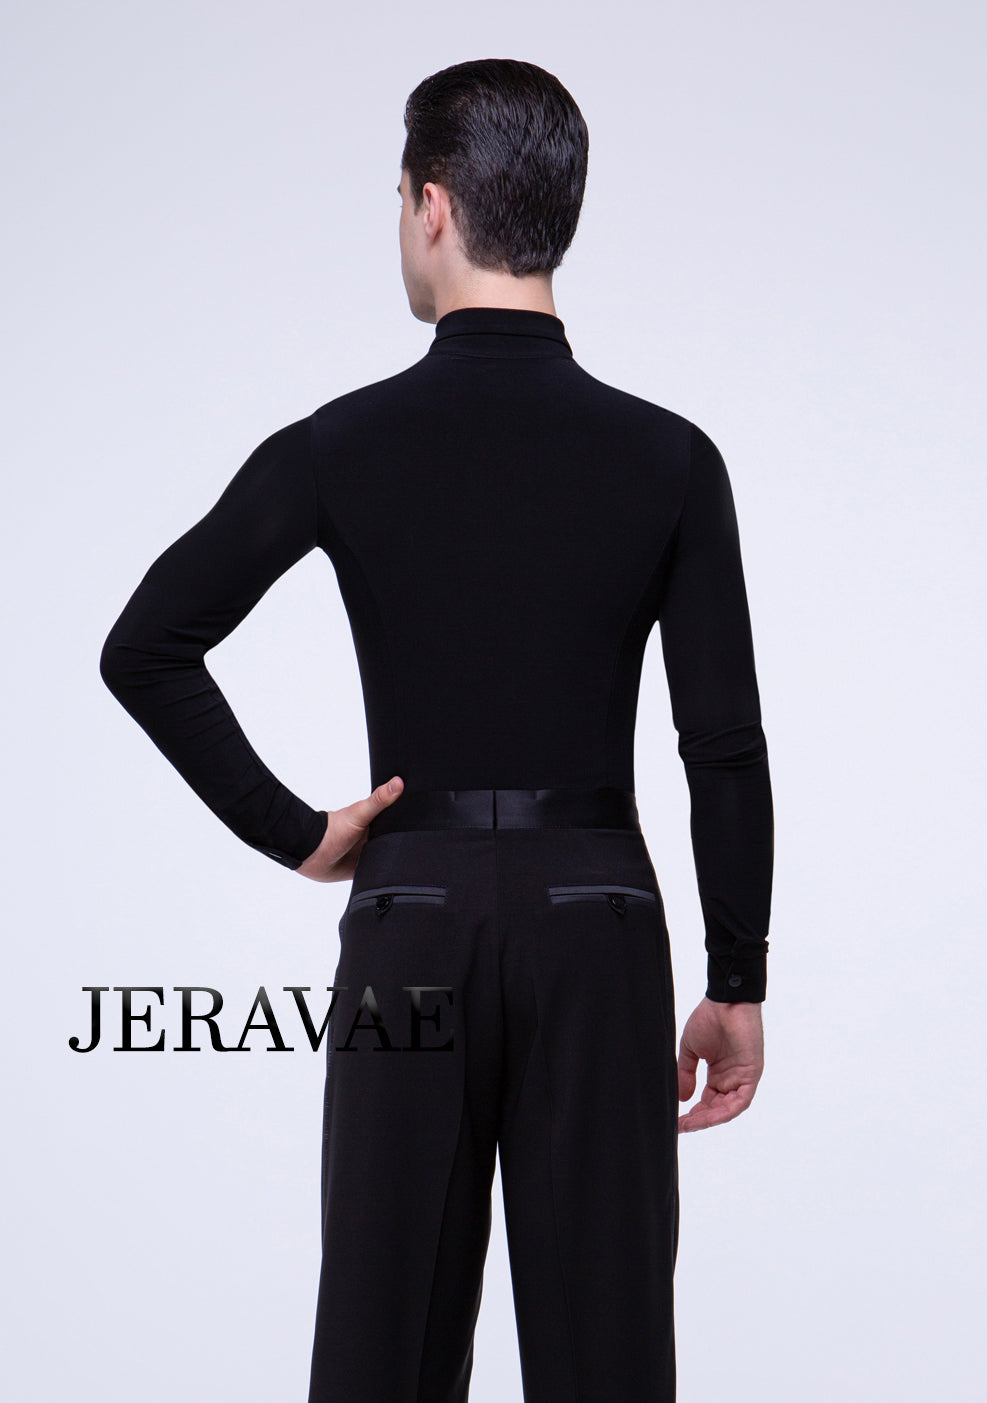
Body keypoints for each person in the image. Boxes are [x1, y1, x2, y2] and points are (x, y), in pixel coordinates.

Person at [99, 56, 773, 1403]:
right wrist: (736, 976)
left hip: (409, 917)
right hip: (599, 919)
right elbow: (723, 746)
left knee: (382, 1344)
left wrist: (301, 834)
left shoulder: (340, 445)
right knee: (609, 1354)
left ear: (431, 204)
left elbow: (147, 647)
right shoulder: (671, 458)